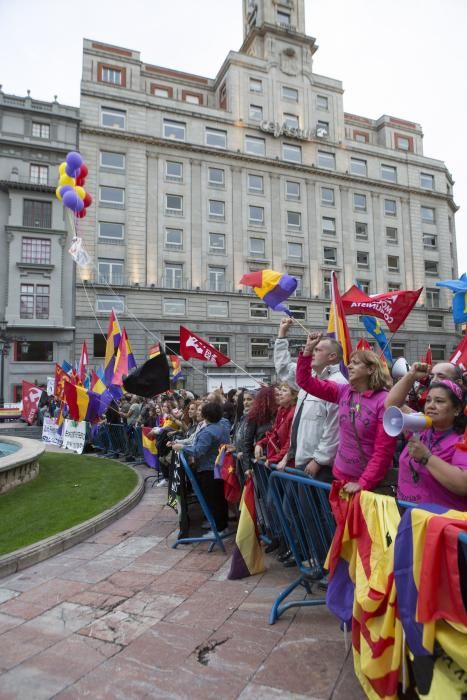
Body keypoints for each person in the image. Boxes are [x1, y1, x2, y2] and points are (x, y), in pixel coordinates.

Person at [296, 333, 397, 493]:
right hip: (339, 478)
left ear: (371, 369)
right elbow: (305, 382)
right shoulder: (343, 391)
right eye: (350, 363)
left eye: (355, 363)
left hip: (369, 487)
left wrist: (363, 483)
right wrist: (308, 350)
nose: (349, 366)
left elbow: (383, 451)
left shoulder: (384, 401)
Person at [385, 362, 467, 509]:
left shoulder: (462, 440)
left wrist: (426, 457)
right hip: (407, 517)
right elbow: (392, 405)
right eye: (428, 400)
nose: (430, 406)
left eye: (439, 401)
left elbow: (463, 484)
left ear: (456, 409)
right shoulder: (421, 425)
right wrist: (411, 376)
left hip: (437, 525)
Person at [274, 318, 347, 478]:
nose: (312, 352)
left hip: (319, 467)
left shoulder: (338, 384)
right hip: (299, 460)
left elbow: (335, 428)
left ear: (332, 356)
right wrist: (282, 335)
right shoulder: (309, 379)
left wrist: (320, 460)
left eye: (317, 350)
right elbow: (284, 368)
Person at [172, 401, 231, 535]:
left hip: (209, 469)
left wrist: (182, 447)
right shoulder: (220, 427)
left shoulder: (208, 431)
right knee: (219, 499)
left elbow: (198, 450)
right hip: (218, 466)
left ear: (206, 415)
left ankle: (220, 529)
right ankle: (222, 526)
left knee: (213, 499)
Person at [255, 383, 298, 466]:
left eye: (284, 390)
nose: (280, 393)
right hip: (279, 460)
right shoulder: (281, 410)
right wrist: (260, 443)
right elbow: (274, 433)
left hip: (288, 462)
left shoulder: (293, 413)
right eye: (280, 390)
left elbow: (290, 441)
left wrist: (275, 458)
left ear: (293, 396)